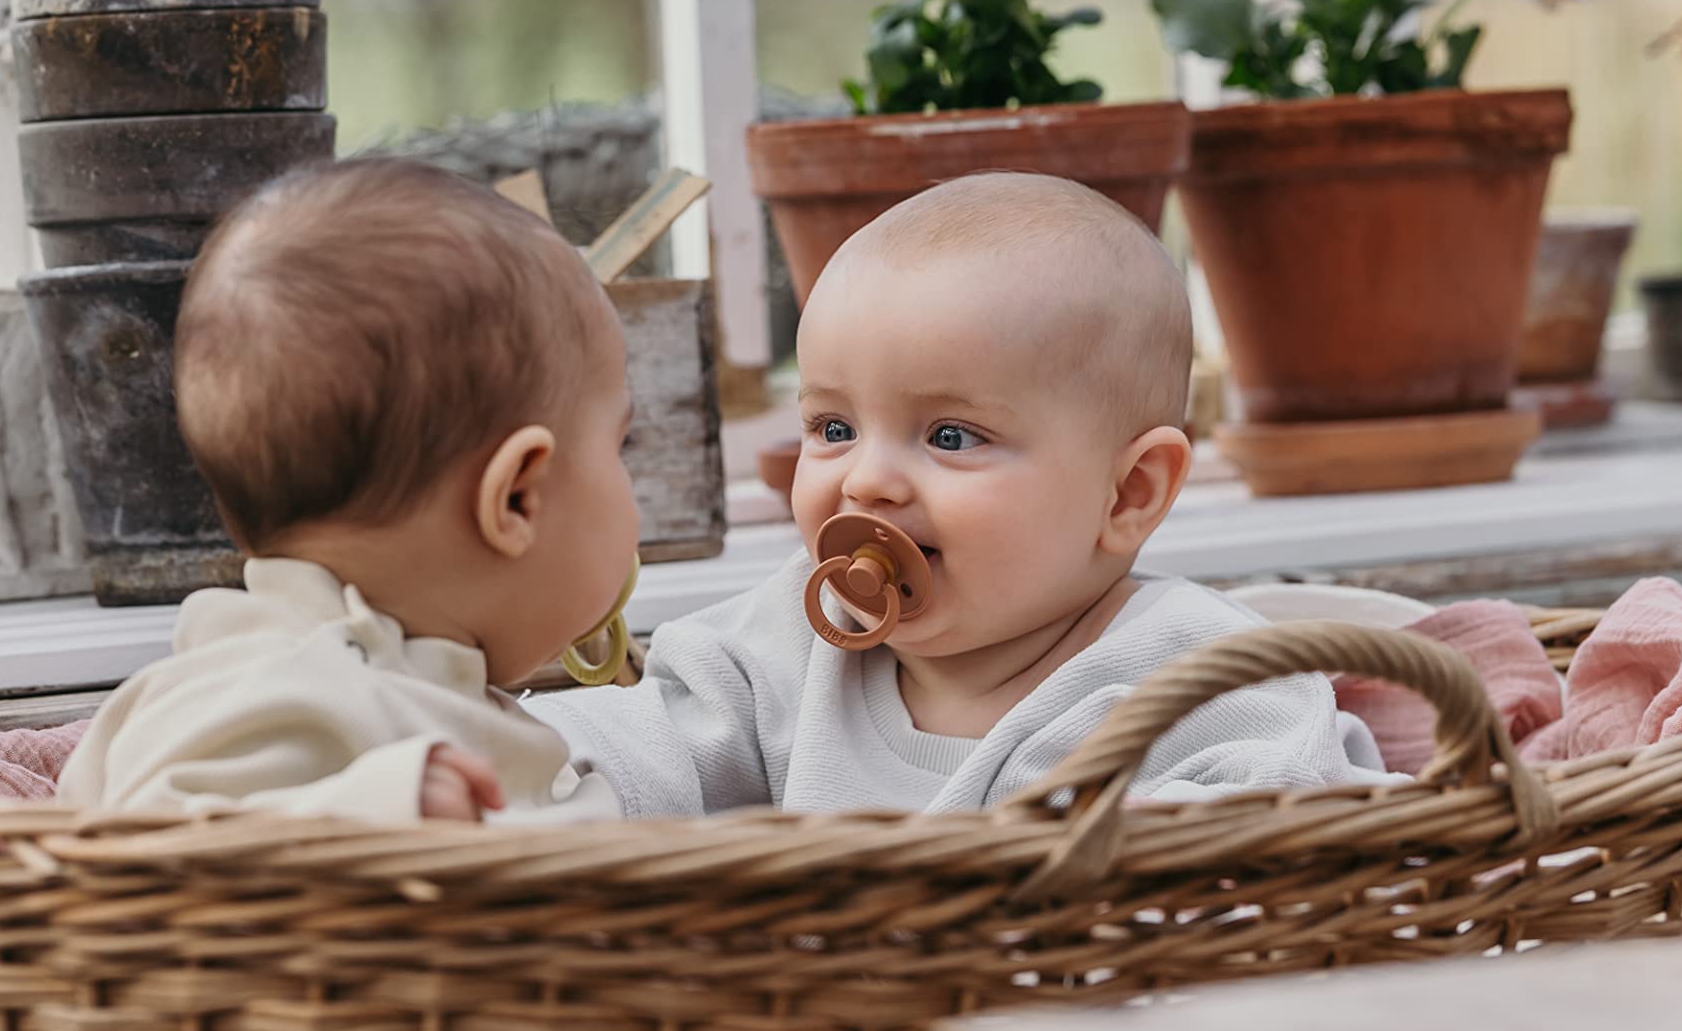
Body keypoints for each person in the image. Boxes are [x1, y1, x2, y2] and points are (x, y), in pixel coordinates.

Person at [530, 171, 1383, 815]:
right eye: (833, 427)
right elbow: (638, 748)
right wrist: (495, 762)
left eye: (950, 436)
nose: (864, 478)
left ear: (1128, 493)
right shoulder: (791, 641)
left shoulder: (1199, 675)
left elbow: (1264, 849)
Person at [55, 159, 637, 823]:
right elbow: (147, 838)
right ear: (515, 499)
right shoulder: (285, 675)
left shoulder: (421, 680)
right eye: (620, 446)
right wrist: (375, 806)